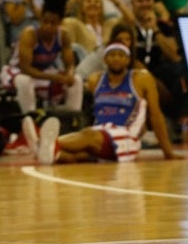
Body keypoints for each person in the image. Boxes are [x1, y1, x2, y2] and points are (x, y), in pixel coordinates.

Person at [26, 41, 174, 164]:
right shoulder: (95, 80)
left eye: (121, 55)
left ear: (128, 60)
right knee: (76, 155)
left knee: (88, 134)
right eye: (112, 55)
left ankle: (41, 143)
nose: (116, 58)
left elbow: (156, 115)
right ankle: (49, 152)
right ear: (105, 59)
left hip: (126, 136)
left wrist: (168, 152)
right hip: (101, 133)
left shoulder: (140, 79)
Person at [1, 0, 83, 116]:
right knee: (24, 81)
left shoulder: (64, 35)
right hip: (17, 71)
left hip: (43, 73)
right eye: (45, 22)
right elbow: (25, 68)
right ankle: (30, 119)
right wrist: (54, 78)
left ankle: (73, 118)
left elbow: (70, 64)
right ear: (40, 19)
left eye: (53, 23)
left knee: (77, 80)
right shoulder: (29, 34)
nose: (48, 26)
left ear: (60, 22)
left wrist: (70, 74)